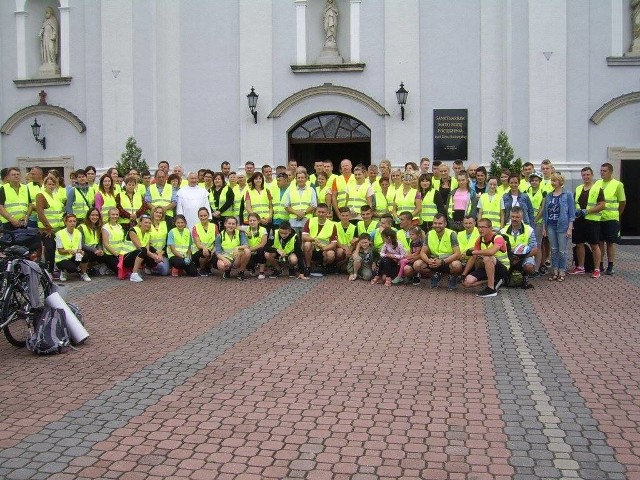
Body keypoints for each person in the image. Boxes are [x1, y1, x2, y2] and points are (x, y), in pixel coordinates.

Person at [569, 167, 605, 278]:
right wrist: (577, 211)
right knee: (579, 244)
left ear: (592, 175)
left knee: (594, 245)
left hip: (592, 221)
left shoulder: (597, 188)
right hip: (579, 220)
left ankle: (597, 269)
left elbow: (602, 205)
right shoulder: (579, 188)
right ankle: (580, 267)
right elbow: (574, 203)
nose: (586, 177)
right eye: (584, 175)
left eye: (588, 174)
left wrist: (588, 211)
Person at [461, 218, 510, 297]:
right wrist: (463, 274)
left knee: (488, 257)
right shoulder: (479, 240)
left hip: (502, 268)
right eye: (479, 227)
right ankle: (493, 280)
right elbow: (473, 257)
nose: (480, 229)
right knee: (467, 282)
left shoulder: (498, 238)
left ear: (490, 228)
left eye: (483, 227)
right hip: (488, 267)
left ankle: (491, 289)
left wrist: (473, 251)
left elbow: (491, 252)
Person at [413, 213, 463, 290]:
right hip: (433, 261)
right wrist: (428, 261)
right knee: (417, 265)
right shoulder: (429, 234)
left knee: (457, 265)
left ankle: (452, 278)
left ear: (445, 224)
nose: (437, 225)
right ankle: (435, 275)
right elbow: (422, 252)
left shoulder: (452, 234)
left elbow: (457, 254)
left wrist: (442, 261)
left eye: (440, 223)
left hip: (447, 261)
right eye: (435, 223)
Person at [542, 172, 575, 282]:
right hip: (550, 225)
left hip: (563, 225)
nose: (552, 183)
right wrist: (544, 227)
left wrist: (570, 228)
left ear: (560, 182)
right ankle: (555, 270)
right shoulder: (549, 195)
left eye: (554, 181)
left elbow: (571, 213)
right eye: (552, 181)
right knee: (554, 249)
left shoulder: (568, 194)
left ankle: (562, 270)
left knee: (562, 250)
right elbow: (545, 212)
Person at [595, 162, 626, 275]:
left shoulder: (618, 184)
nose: (602, 173)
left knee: (610, 243)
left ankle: (611, 265)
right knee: (600, 242)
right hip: (599, 217)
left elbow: (622, 202)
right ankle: (601, 264)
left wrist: (618, 215)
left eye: (604, 171)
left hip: (611, 218)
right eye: (601, 170)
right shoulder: (597, 183)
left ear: (610, 172)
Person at [500, 206, 539, 282]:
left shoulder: (529, 230)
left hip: (524, 257)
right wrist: (511, 258)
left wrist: (520, 258)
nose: (514, 219)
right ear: (510, 217)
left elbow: (535, 250)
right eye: (512, 217)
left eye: (517, 217)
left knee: (529, 267)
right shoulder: (503, 231)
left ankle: (524, 275)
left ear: (522, 218)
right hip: (508, 257)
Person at [36, 174, 64, 272]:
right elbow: (40, 213)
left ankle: (53, 270)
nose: (51, 186)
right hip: (46, 229)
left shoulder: (55, 196)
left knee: (56, 249)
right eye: (49, 184)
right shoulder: (41, 195)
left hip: (57, 228)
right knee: (49, 249)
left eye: (53, 184)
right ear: (45, 184)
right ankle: (48, 271)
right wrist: (48, 227)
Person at [302, 203, 337, 276]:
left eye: (323, 212)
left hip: (325, 248)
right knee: (307, 244)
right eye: (319, 212)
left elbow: (334, 243)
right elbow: (304, 237)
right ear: (315, 212)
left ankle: (324, 266)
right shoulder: (310, 220)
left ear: (327, 213)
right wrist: (313, 240)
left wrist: (323, 248)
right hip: (313, 247)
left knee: (331, 254)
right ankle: (308, 267)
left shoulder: (332, 225)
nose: (321, 214)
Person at [55, 214, 91, 282]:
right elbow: (60, 251)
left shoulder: (78, 233)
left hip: (73, 256)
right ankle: (63, 271)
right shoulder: (59, 233)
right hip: (61, 259)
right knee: (71, 269)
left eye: (74, 221)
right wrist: (69, 251)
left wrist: (80, 251)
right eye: (70, 221)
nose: (72, 223)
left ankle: (83, 273)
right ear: (65, 223)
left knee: (85, 256)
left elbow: (79, 248)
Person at [127, 214, 162, 282]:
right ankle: (134, 274)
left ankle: (140, 270)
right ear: (140, 223)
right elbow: (139, 247)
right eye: (145, 222)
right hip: (127, 256)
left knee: (153, 260)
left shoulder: (148, 234)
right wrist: (154, 256)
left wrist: (157, 257)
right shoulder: (133, 230)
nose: (148, 224)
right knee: (143, 250)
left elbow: (147, 250)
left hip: (137, 255)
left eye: (149, 223)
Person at [284, 171, 317, 236]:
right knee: (294, 240)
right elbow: (286, 206)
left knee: (306, 241)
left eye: (302, 178)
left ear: (306, 179)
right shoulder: (290, 190)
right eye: (298, 178)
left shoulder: (311, 190)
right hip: (293, 220)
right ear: (295, 179)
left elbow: (314, 205)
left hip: (307, 219)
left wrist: (303, 213)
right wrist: (297, 213)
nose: (300, 179)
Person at [0, 167, 32, 231]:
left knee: (23, 240)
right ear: (8, 177)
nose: (16, 176)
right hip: (8, 223)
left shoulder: (25, 188)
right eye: (13, 175)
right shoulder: (3, 188)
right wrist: (12, 220)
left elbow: (30, 204)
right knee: (9, 240)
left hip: (23, 222)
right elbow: (1, 207)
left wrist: (26, 216)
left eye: (18, 174)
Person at [191, 207, 218, 276]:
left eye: (205, 215)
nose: (203, 218)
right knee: (205, 253)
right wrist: (205, 248)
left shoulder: (214, 226)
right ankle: (202, 269)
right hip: (198, 252)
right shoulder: (195, 227)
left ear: (208, 215)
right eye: (201, 216)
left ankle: (208, 267)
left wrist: (213, 252)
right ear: (198, 217)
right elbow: (198, 244)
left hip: (211, 251)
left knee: (217, 257)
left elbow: (217, 241)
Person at [78, 208, 105, 275]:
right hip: (83, 250)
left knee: (105, 256)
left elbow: (99, 242)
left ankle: (90, 268)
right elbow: (81, 244)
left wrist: (100, 249)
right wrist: (95, 250)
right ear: (88, 216)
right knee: (87, 256)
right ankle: (82, 270)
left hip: (94, 251)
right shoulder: (81, 227)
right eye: (92, 215)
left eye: (97, 215)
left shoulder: (98, 227)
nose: (95, 217)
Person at [245, 213, 268, 279]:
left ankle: (261, 272)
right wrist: (243, 230)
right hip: (250, 253)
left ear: (258, 221)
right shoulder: (246, 229)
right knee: (248, 263)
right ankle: (252, 268)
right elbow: (236, 226)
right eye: (250, 220)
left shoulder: (263, 229)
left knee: (261, 250)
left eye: (254, 220)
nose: (252, 222)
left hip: (258, 251)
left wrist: (250, 249)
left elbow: (263, 244)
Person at [149, 206, 170, 276]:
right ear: (153, 213)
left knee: (165, 272)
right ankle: (149, 266)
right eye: (156, 212)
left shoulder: (165, 224)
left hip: (163, 253)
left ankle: (155, 267)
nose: (158, 214)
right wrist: (156, 254)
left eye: (160, 213)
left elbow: (168, 241)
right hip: (151, 253)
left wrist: (161, 253)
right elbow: (146, 242)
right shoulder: (148, 224)